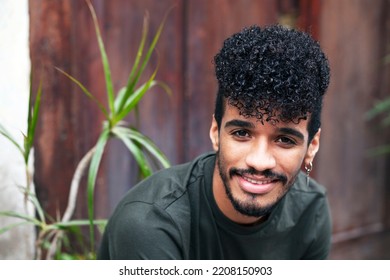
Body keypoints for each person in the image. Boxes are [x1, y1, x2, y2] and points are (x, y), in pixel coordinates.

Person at [98, 24, 332, 260]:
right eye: (241, 133)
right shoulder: (150, 224)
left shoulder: (311, 211)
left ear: (312, 146)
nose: (259, 162)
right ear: (215, 132)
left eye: (284, 139)